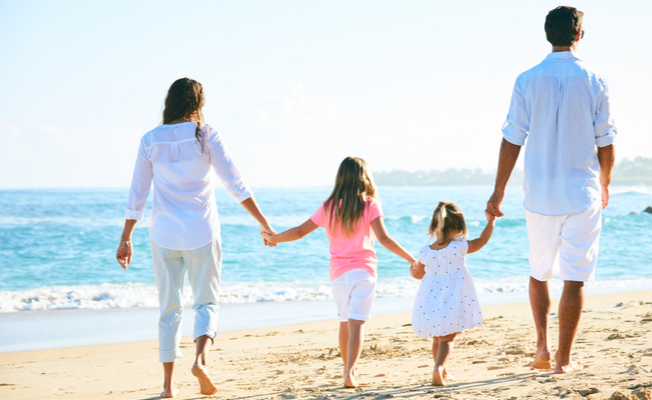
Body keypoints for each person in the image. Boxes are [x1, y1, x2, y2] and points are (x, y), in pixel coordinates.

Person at [115, 78, 276, 398]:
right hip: (202, 232)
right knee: (206, 302)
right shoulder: (205, 134)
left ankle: (168, 387)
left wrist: (126, 238)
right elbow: (236, 184)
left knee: (169, 308)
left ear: (170, 101)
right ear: (198, 103)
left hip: (164, 235)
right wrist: (264, 223)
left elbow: (138, 194)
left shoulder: (150, 139)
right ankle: (200, 361)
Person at [486, 6, 617, 374]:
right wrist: (605, 183)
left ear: (548, 34)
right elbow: (606, 141)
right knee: (574, 278)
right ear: (579, 35)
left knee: (539, 271)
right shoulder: (595, 80)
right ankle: (563, 360)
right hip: (582, 193)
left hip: (539, 194)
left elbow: (512, 138)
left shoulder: (527, 79)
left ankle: (542, 349)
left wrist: (498, 191)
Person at [261, 157, 417, 388]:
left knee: (344, 322)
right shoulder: (370, 204)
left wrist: (273, 238)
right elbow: (384, 238)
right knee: (357, 324)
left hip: (338, 274)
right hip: (364, 271)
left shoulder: (329, 206)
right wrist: (410, 258)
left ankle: (347, 372)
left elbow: (300, 231)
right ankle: (349, 373)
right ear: (365, 177)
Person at [410, 201, 495, 386]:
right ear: (458, 227)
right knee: (448, 337)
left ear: (434, 226)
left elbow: (419, 275)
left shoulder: (425, 250)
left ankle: (443, 370)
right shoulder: (459, 246)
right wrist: (491, 222)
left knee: (437, 337)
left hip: (430, 299)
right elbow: (482, 241)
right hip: (452, 298)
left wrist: (413, 271)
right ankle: (439, 369)